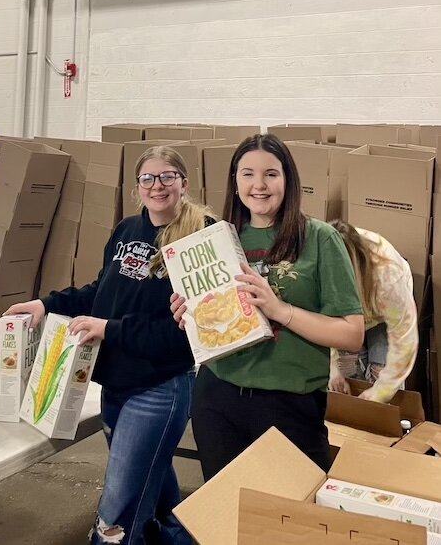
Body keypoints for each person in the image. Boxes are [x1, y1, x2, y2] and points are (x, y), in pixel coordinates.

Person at [5, 146, 212, 545]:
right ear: (137, 188)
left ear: (184, 182)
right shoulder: (126, 230)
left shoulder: (200, 235)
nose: (158, 185)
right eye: (148, 178)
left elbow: (182, 334)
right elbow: (102, 293)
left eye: (168, 176)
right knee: (154, 492)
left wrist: (110, 329)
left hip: (159, 387)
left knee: (118, 510)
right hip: (116, 385)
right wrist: (46, 304)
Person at [171, 133, 365, 480]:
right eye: (247, 174)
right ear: (234, 181)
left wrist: (280, 311)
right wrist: (190, 312)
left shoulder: (320, 238)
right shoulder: (218, 238)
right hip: (218, 397)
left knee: (288, 521)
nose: (258, 185)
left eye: (271, 174)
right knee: (224, 518)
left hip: (288, 404)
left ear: (287, 180)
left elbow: (352, 334)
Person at [328, 220, 418, 403]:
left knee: (380, 374)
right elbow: (321, 322)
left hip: (384, 313)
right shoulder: (315, 265)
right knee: (348, 377)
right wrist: (332, 370)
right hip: (347, 314)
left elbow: (404, 341)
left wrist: (381, 392)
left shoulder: (388, 278)